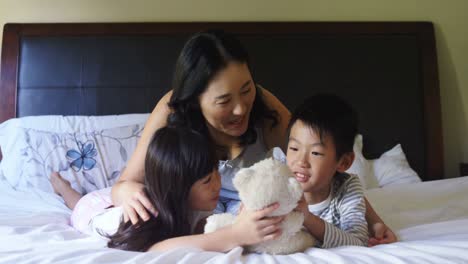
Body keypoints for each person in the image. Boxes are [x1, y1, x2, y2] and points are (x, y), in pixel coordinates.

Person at [108, 29, 396, 245]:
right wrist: (128, 193)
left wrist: (373, 222)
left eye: (246, 89)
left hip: (256, 219)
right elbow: (124, 185)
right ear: (195, 100)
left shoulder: (264, 107)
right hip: (199, 223)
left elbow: (319, 160)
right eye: (224, 101)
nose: (240, 108)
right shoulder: (171, 111)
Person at [52, 126, 284, 252]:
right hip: (96, 210)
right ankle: (63, 187)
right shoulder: (145, 220)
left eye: (216, 173)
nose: (218, 185)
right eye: (207, 181)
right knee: (76, 204)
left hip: (124, 197)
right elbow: (158, 249)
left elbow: (205, 229)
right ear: (179, 189)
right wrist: (234, 235)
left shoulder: (192, 204)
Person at [271, 94, 396, 247]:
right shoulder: (278, 180)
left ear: (344, 162)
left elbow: (358, 242)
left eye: (315, 153)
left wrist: (308, 218)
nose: (301, 161)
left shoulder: (347, 189)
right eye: (294, 148)